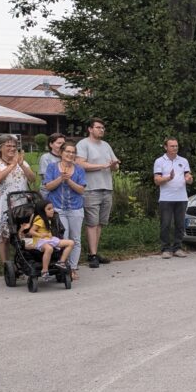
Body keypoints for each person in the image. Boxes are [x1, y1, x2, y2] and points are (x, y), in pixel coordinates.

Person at [75, 118, 120, 268]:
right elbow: (80, 164)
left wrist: (114, 165)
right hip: (91, 188)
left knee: (100, 223)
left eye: (103, 128)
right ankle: (92, 255)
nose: (101, 130)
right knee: (92, 223)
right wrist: (102, 165)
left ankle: (94, 252)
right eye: (98, 127)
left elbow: (115, 166)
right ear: (90, 129)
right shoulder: (83, 144)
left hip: (106, 188)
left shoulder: (106, 145)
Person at [0, 134, 35, 264]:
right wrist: (12, 165)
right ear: (0, 148)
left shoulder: (22, 162)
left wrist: (22, 165)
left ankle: (22, 262)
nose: (12, 148)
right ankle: (6, 266)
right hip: (3, 205)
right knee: (4, 238)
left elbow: (32, 179)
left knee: (22, 234)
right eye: (8, 145)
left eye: (14, 146)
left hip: (22, 205)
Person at [43, 141, 86, 279]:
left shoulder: (79, 169)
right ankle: (63, 267)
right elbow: (48, 187)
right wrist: (61, 178)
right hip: (58, 208)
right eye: (67, 151)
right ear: (61, 153)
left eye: (73, 152)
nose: (70, 154)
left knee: (76, 239)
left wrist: (69, 181)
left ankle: (73, 268)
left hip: (75, 208)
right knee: (63, 238)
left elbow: (81, 189)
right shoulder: (52, 167)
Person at [153, 138, 193, 259]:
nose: (175, 148)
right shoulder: (159, 161)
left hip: (181, 198)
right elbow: (156, 180)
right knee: (165, 224)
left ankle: (178, 248)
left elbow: (188, 175)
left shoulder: (183, 161)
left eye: (176, 146)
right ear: (166, 147)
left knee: (180, 224)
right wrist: (168, 178)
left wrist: (189, 179)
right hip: (166, 198)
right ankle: (165, 249)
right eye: (172, 146)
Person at [21, 199, 74, 280]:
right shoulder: (40, 220)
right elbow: (31, 231)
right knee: (49, 248)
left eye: (52, 208)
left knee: (70, 243)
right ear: (42, 211)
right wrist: (40, 234)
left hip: (50, 239)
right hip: (40, 241)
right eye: (49, 209)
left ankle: (61, 262)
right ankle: (44, 270)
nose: (52, 210)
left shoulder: (48, 219)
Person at [37, 132, 65, 199]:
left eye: (63, 143)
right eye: (59, 143)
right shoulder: (45, 158)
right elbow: (46, 178)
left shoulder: (66, 157)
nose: (62, 146)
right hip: (49, 193)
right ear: (51, 144)